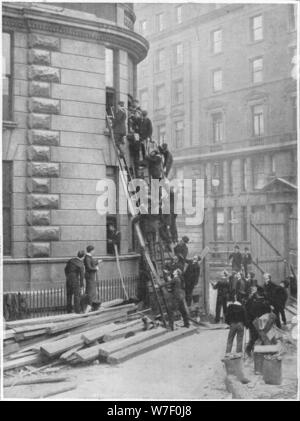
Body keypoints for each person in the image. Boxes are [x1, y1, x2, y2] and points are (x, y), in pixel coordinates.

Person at [245, 286, 272, 355]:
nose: (255, 292)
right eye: (253, 290)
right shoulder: (251, 299)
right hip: (254, 321)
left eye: (255, 291)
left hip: (258, 321)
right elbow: (247, 310)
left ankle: (255, 350)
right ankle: (250, 349)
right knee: (254, 336)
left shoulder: (259, 300)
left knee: (257, 336)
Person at [84, 245, 101, 313]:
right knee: (90, 291)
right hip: (90, 277)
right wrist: (95, 268)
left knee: (92, 291)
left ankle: (91, 306)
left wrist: (98, 262)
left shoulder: (89, 257)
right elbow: (89, 267)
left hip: (91, 276)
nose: (94, 251)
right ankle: (89, 306)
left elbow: (92, 263)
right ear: (91, 251)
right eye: (93, 250)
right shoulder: (87, 258)